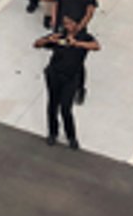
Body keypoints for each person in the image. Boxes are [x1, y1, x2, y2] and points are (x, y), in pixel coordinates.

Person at [35, 13, 100, 149]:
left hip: (71, 77)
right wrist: (48, 40)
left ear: (77, 24)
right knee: (52, 104)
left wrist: (77, 43)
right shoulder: (59, 36)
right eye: (65, 23)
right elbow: (37, 44)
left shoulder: (84, 36)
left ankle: (71, 136)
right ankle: (53, 133)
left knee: (66, 107)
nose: (67, 26)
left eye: (70, 23)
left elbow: (96, 46)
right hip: (54, 74)